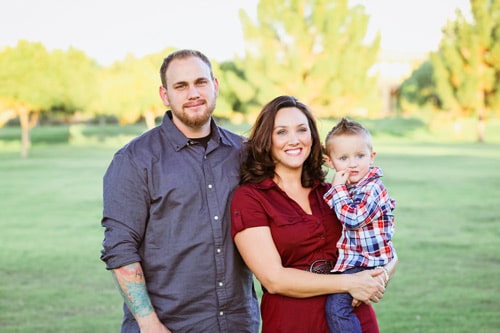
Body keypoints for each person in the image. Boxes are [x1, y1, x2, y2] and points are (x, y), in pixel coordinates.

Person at [100, 49, 260, 333]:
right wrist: (149, 324)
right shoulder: (135, 160)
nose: (193, 93)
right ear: (165, 95)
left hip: (238, 323)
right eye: (181, 86)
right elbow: (120, 248)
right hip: (168, 325)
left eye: (201, 82)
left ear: (215, 86)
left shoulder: (245, 153)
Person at [230, 95, 397, 333]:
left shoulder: (333, 193)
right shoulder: (250, 199)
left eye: (301, 130)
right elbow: (274, 279)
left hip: (353, 318)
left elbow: (387, 250)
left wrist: (375, 280)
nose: (294, 140)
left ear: (312, 138)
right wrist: (352, 282)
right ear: (267, 139)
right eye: (282, 132)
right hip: (293, 322)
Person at [322, 118, 396, 333]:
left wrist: (337, 189)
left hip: (366, 261)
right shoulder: (350, 188)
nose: (352, 163)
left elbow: (353, 219)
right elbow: (333, 211)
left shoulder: (372, 187)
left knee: (337, 309)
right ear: (330, 161)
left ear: (371, 157)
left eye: (360, 156)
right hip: (356, 260)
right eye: (343, 158)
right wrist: (338, 190)